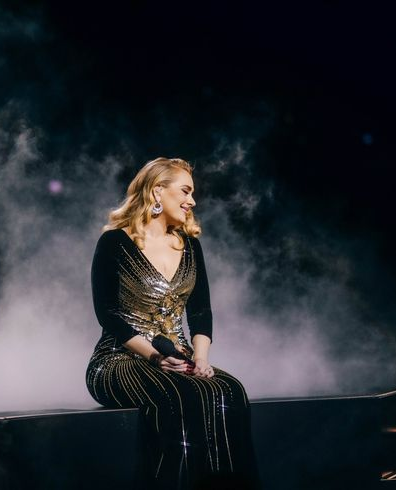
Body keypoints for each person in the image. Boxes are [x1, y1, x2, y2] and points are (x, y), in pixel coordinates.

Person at [86, 157, 262, 489]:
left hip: (177, 358)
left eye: (192, 193)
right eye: (185, 191)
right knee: (181, 397)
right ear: (157, 192)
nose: (192, 201)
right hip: (119, 359)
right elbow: (108, 315)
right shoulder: (114, 242)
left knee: (231, 391)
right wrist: (155, 357)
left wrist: (201, 359)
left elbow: (200, 313)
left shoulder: (190, 246)